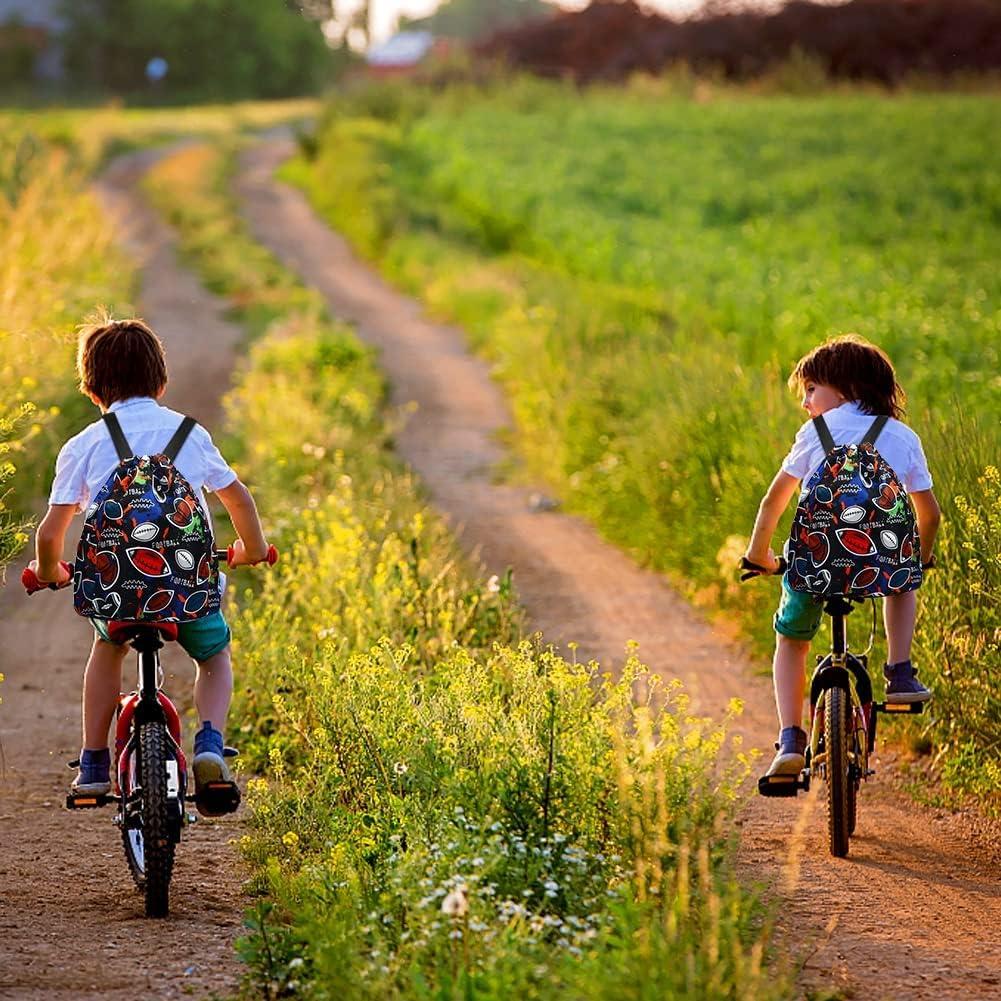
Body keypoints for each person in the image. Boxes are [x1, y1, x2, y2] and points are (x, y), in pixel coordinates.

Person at [28, 317, 271, 810]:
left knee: (107, 648)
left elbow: (51, 533)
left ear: (92, 390)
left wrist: (50, 570)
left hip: (114, 589)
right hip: (188, 587)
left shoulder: (85, 444)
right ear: (161, 382)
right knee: (214, 655)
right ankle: (208, 742)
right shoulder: (189, 433)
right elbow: (237, 500)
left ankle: (94, 763)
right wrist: (252, 548)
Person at [743, 334, 941, 777]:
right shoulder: (903, 437)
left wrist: (759, 555)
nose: (806, 402)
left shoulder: (816, 434)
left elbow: (774, 502)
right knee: (903, 580)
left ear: (846, 389)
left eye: (812, 389)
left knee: (792, 639)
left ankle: (791, 737)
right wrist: (919, 559)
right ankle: (900, 670)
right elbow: (929, 513)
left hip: (815, 561)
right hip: (880, 563)